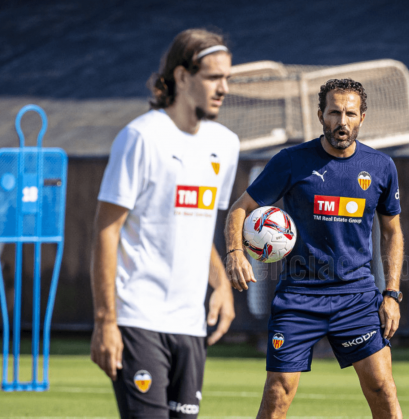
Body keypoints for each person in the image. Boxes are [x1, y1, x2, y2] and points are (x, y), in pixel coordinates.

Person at [225, 78, 404, 418]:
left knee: (382, 387)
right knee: (278, 392)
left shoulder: (381, 167)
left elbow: (393, 233)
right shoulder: (291, 161)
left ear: (362, 117)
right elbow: (239, 208)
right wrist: (235, 253)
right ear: (321, 115)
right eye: (334, 112)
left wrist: (392, 294)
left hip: (356, 296)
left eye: (350, 113)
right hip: (299, 296)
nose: (342, 121)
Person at [90, 28, 239, 418]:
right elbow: (106, 231)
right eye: (212, 77)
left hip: (190, 324)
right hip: (137, 317)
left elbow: (196, 227)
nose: (223, 88)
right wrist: (106, 321)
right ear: (182, 76)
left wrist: (221, 284)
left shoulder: (225, 144)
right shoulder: (140, 137)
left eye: (227, 78)